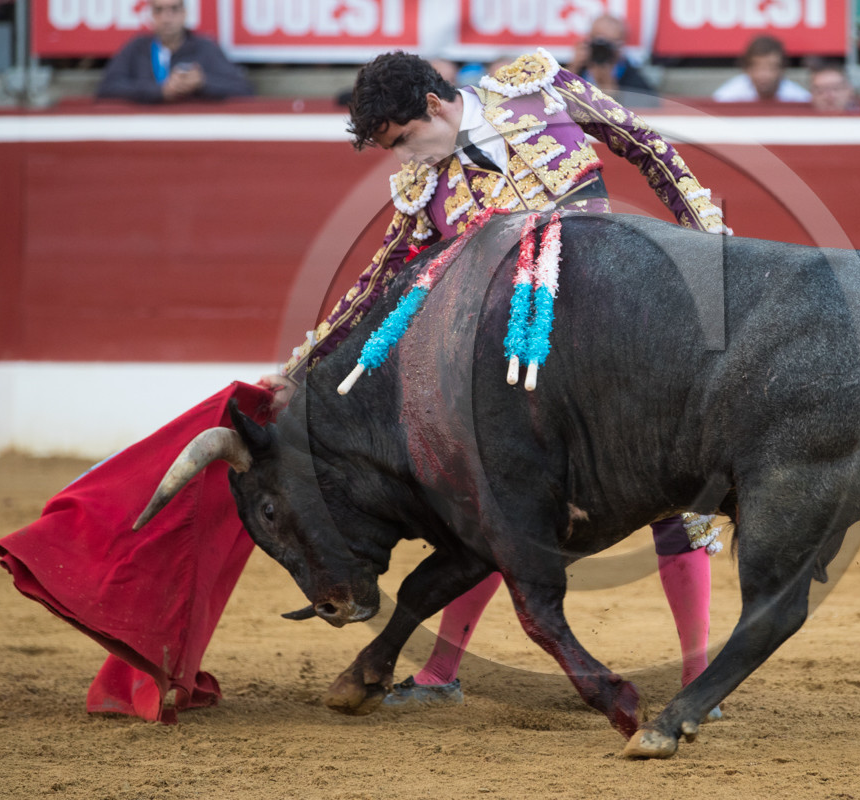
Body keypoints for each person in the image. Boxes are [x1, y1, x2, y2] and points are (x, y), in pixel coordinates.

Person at [279, 49, 729, 715]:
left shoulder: (537, 91)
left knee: (680, 496)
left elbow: (645, 143)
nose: (407, 158)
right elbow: (377, 283)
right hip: (527, 374)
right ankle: (439, 675)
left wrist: (704, 237)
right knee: (489, 512)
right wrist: (302, 368)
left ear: (433, 106)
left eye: (404, 139)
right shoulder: (423, 189)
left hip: (620, 329)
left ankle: (703, 680)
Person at [96, 0, 253, 104]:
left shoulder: (205, 48)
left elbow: (243, 90)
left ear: (184, 13)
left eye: (174, 9)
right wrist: (159, 91)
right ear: (151, 15)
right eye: (159, 10)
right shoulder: (136, 48)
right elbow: (107, 88)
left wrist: (202, 83)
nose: (166, 18)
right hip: (144, 131)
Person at [567, 14, 656, 102]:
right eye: (599, 42)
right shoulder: (579, 68)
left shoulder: (632, 77)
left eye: (610, 44)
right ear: (589, 40)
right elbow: (558, 98)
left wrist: (611, 89)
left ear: (621, 45)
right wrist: (573, 68)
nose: (603, 50)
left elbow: (648, 105)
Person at [713, 35, 810, 103]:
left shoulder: (798, 98)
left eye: (771, 67)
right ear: (747, 69)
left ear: (782, 69)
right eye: (758, 67)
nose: (764, 74)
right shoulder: (727, 97)